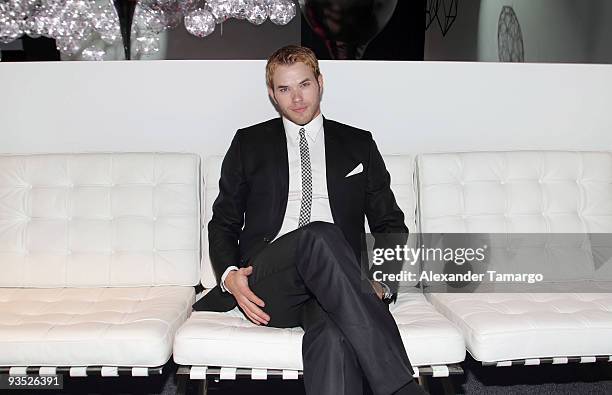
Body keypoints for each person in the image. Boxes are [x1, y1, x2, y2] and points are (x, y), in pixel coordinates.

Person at [193, 45, 426, 395]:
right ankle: (401, 387)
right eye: (284, 89)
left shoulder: (358, 143)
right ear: (272, 94)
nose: (297, 98)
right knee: (318, 234)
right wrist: (229, 278)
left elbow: (390, 223)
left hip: (338, 282)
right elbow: (223, 221)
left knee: (334, 337)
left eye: (304, 84)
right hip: (271, 281)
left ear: (320, 82)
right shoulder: (249, 143)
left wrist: (382, 281)